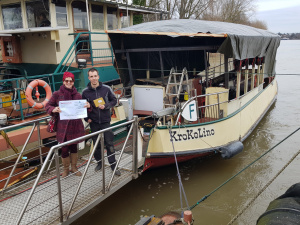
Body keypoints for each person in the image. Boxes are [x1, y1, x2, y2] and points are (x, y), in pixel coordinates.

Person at [45, 72, 90, 178]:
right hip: (63, 126)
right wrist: (53, 109)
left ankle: (74, 167)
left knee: (74, 148)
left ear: (73, 82)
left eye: (71, 81)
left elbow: (83, 110)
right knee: (64, 149)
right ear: (63, 81)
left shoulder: (78, 95)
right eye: (67, 80)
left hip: (75, 126)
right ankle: (66, 169)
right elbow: (48, 105)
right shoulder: (57, 94)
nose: (69, 82)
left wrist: (87, 106)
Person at [82, 68, 121, 176]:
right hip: (93, 122)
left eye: (95, 76)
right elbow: (83, 107)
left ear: (98, 77)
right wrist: (86, 118)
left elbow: (114, 100)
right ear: (89, 78)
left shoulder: (106, 89)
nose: (94, 78)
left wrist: (106, 106)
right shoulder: (85, 92)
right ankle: (99, 162)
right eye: (91, 76)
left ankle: (113, 165)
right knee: (97, 144)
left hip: (105, 121)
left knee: (109, 143)